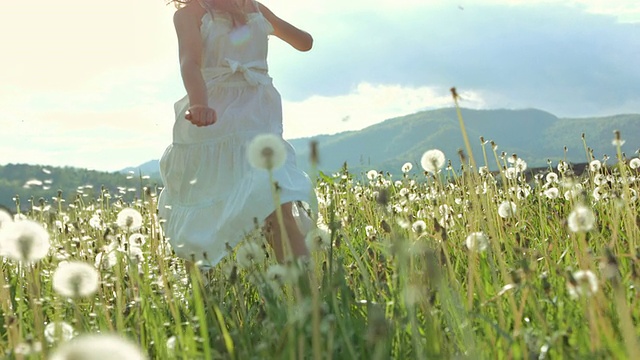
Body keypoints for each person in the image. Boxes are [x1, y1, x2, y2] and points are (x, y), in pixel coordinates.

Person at [158, 0, 316, 267]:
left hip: (257, 118)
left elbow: (304, 42)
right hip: (212, 119)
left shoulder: (255, 9)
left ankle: (306, 292)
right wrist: (198, 103)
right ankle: (202, 296)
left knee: (278, 202)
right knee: (203, 204)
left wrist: (277, 27)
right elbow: (190, 62)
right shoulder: (191, 15)